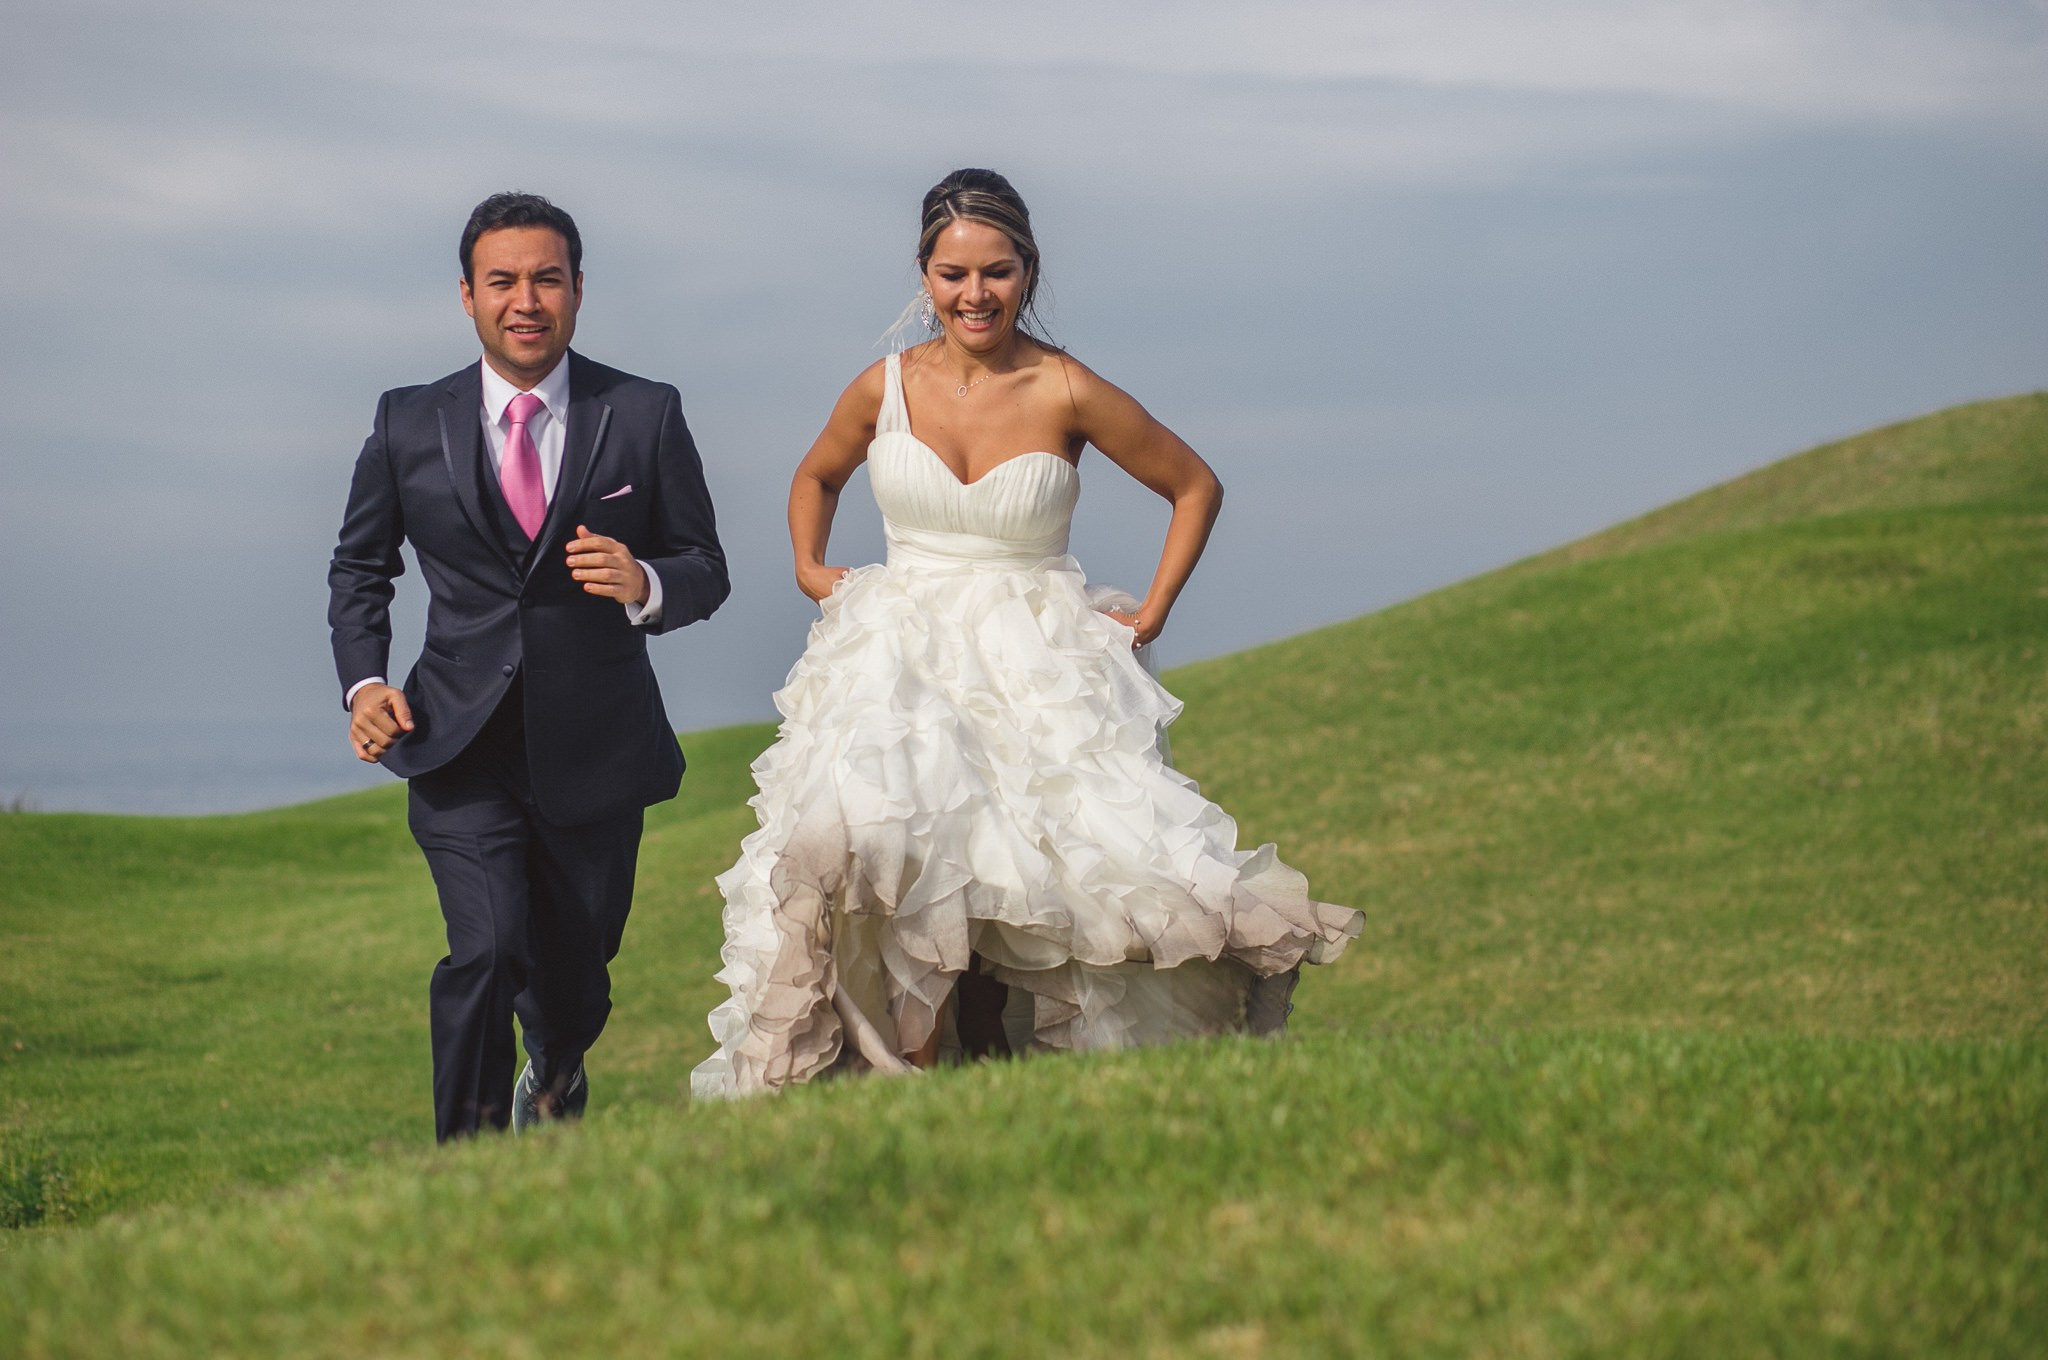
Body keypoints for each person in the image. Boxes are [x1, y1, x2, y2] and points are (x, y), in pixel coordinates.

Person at [692, 169, 1360, 1099]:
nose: (976, 294)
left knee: (1043, 872)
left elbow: (1194, 484)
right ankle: (902, 1079)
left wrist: (1152, 610)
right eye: (954, 273)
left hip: (1038, 662)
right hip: (900, 662)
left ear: (1028, 271)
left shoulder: (1066, 386)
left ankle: (1004, 1066)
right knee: (888, 851)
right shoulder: (880, 388)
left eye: (997, 272)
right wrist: (812, 568)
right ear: (924, 275)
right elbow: (815, 478)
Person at [329, 192, 729, 1140]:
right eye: (502, 280)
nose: (526, 299)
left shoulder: (642, 412)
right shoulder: (405, 423)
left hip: (596, 748)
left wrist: (645, 581)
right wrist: (364, 682)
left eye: (547, 278)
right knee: (485, 951)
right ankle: (467, 1166)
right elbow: (359, 567)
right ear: (465, 296)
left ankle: (556, 1065)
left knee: (573, 974)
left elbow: (705, 567)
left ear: (579, 292)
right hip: (455, 739)